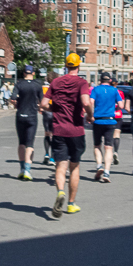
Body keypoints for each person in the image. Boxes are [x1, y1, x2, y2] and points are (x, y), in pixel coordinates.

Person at [42, 53, 92, 218]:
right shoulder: (82, 83)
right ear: (78, 66)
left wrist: (53, 109)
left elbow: (43, 104)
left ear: (66, 66)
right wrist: (90, 115)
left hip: (59, 130)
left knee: (60, 166)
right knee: (75, 166)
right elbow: (85, 102)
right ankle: (71, 204)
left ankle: (60, 192)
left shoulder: (56, 82)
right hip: (76, 130)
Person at [89, 72, 123, 183]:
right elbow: (121, 105)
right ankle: (107, 172)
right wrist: (114, 106)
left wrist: (91, 114)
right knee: (109, 147)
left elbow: (90, 102)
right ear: (110, 80)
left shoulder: (95, 90)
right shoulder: (114, 90)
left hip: (98, 120)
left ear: (100, 80)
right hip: (110, 121)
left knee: (97, 146)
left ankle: (99, 166)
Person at [13, 65, 42, 180]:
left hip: (20, 115)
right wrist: (39, 108)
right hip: (32, 116)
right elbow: (41, 101)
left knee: (21, 143)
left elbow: (13, 98)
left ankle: (21, 169)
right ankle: (27, 170)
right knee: (30, 144)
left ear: (24, 73)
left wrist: (17, 104)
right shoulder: (37, 85)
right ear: (33, 73)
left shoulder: (19, 84)